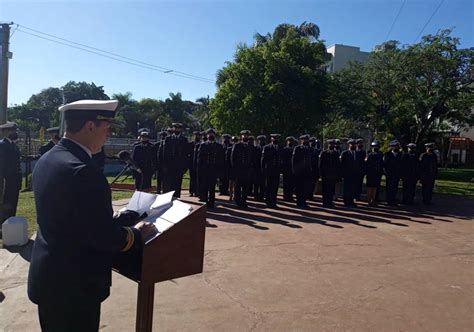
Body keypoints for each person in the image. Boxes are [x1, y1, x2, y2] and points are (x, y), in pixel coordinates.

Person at [28, 100, 156, 332]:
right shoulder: (84, 171)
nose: (108, 135)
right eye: (107, 128)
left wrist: (116, 219)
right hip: (75, 287)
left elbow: (72, 219)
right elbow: (102, 237)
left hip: (50, 278)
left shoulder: (48, 159)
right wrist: (136, 234)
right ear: (90, 126)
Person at [0, 122, 22, 225]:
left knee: (13, 203)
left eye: (15, 130)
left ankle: (11, 224)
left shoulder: (14, 145)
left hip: (15, 181)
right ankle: (3, 225)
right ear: (5, 132)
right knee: (6, 204)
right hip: (6, 181)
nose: (14, 132)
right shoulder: (2, 145)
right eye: (12, 130)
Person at [196, 129, 224, 208]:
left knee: (212, 188)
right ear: (207, 135)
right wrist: (199, 170)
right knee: (204, 186)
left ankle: (211, 202)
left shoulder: (218, 146)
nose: (211, 135)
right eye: (209, 134)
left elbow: (221, 160)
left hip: (214, 170)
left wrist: (220, 172)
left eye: (212, 134)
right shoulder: (203, 145)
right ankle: (204, 202)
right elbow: (199, 159)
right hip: (205, 169)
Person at [160, 123, 189, 198]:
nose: (177, 130)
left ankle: (177, 200)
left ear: (181, 129)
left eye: (178, 128)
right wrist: (164, 166)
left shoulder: (184, 140)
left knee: (178, 185)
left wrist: (185, 167)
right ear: (173, 129)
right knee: (169, 186)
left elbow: (186, 155)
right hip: (169, 167)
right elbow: (164, 154)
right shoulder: (168, 139)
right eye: (175, 128)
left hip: (179, 167)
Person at [231, 130, 254, 208]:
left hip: (247, 171)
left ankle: (243, 201)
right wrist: (234, 169)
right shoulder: (237, 145)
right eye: (244, 136)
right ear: (241, 136)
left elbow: (252, 159)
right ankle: (237, 202)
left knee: (245, 188)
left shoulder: (250, 146)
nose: (246, 137)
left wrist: (250, 168)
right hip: (238, 170)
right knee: (237, 187)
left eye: (247, 136)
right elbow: (233, 158)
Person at [340, 139, 364, 207]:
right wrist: (342, 174)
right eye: (351, 144)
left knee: (353, 188)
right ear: (349, 145)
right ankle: (346, 201)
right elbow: (342, 164)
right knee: (347, 188)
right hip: (347, 174)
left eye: (354, 144)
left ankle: (351, 201)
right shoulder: (345, 153)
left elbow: (360, 164)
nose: (353, 145)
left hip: (355, 174)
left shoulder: (358, 153)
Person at [261, 134, 282, 208]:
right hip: (269, 170)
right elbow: (263, 160)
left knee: (275, 186)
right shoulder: (267, 147)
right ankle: (268, 201)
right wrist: (263, 170)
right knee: (269, 186)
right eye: (274, 138)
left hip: (276, 170)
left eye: (277, 139)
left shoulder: (280, 148)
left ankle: (273, 201)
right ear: (271, 139)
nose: (276, 140)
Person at [292, 134, 312, 208]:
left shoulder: (309, 149)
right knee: (299, 188)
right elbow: (293, 160)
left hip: (306, 172)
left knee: (305, 188)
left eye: (307, 140)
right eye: (304, 140)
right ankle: (299, 202)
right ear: (301, 140)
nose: (306, 141)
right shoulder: (297, 148)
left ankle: (303, 202)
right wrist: (294, 170)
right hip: (299, 172)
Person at [319, 139, 341, 208]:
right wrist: (321, 174)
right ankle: (325, 202)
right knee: (325, 189)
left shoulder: (336, 154)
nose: (331, 145)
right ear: (328, 145)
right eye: (330, 144)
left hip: (333, 175)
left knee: (331, 190)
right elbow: (320, 165)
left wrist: (337, 175)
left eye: (332, 144)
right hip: (325, 175)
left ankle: (330, 202)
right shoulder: (324, 153)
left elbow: (338, 165)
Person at [365, 140, 384, 206]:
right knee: (370, 187)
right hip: (370, 173)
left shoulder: (380, 154)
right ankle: (369, 200)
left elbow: (381, 164)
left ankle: (373, 200)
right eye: (374, 146)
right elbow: (367, 164)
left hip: (377, 173)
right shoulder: (369, 154)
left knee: (375, 187)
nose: (375, 147)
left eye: (376, 146)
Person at [384, 140, 403, 206]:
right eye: (394, 146)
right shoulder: (388, 154)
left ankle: (393, 199)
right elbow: (385, 164)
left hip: (397, 174)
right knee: (389, 187)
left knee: (395, 187)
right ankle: (389, 200)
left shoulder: (400, 154)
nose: (396, 147)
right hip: (389, 174)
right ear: (391, 147)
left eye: (397, 146)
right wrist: (387, 172)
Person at [282, 136, 296, 202]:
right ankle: (285, 196)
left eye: (291, 141)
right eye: (289, 141)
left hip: (292, 169)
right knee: (286, 183)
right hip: (286, 169)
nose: (290, 142)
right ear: (287, 142)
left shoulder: (294, 149)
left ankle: (290, 196)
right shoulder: (284, 149)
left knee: (291, 184)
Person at [188, 131, 202, 197]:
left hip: (198, 164)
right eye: (196, 135)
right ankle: (191, 191)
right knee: (192, 178)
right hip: (191, 163)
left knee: (197, 178)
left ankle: (197, 191)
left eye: (198, 135)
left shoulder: (201, 144)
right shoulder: (191, 144)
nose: (197, 137)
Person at [227, 136, 239, 201]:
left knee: (236, 183)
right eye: (233, 141)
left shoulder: (239, 149)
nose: (234, 142)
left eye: (236, 141)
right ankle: (231, 195)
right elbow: (227, 159)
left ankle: (235, 195)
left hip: (237, 168)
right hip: (231, 168)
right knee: (231, 183)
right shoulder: (229, 149)